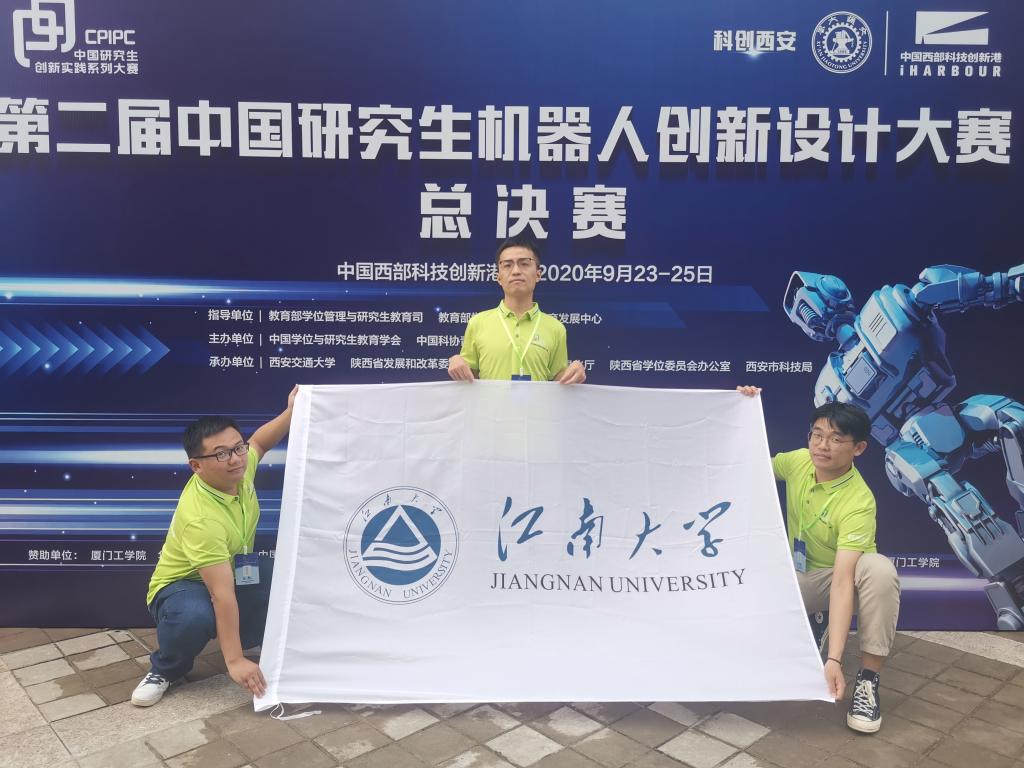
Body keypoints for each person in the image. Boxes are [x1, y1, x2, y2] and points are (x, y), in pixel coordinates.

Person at [738, 387, 900, 733]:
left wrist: (834, 660)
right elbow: (746, 464)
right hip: (797, 579)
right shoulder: (798, 462)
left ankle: (868, 681)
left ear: (858, 449)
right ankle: (815, 620)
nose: (822, 445)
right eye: (817, 435)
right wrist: (739, 408)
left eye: (836, 439)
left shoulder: (858, 501)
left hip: (841, 579)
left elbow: (842, 581)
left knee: (879, 570)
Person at [131, 385, 298, 707]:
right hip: (182, 584)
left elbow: (260, 442)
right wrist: (233, 661)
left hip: (233, 567)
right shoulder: (200, 518)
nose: (235, 459)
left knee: (283, 577)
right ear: (197, 465)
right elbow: (221, 594)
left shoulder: (239, 470)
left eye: (237, 447)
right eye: (221, 454)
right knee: (194, 616)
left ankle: (260, 644)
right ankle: (166, 669)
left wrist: (291, 411)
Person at [447, 236, 586, 383]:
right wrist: (456, 362)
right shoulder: (477, 323)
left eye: (524, 264)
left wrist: (574, 373)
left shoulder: (556, 328)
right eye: (507, 265)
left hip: (538, 400)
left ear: (538, 275)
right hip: (491, 400)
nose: (516, 271)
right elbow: (469, 377)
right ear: (499, 278)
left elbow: (558, 380)